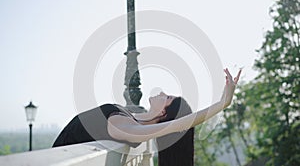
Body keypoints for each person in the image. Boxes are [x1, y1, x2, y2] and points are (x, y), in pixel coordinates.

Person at [53, 68, 241, 164]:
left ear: (163, 113)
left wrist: (221, 105)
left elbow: (177, 125)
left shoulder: (132, 129)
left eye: (167, 97)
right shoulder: (134, 119)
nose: (162, 93)